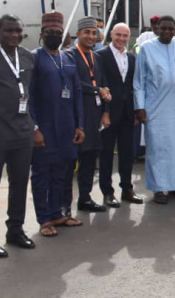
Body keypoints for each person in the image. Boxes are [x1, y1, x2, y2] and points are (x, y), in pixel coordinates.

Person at [0, 15, 36, 258]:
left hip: (22, 133)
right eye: (9, 30)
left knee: (20, 183)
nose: (13, 35)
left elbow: (28, 92)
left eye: (18, 31)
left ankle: (15, 230)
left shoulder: (27, 57)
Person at [29, 12, 85, 237]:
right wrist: (34, 128)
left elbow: (78, 93)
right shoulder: (34, 58)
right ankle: (44, 219)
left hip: (67, 127)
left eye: (58, 34)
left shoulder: (68, 58)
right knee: (42, 173)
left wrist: (80, 125)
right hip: (44, 127)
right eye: (50, 33)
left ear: (64, 36)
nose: (54, 36)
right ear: (42, 34)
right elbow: (29, 97)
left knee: (62, 172)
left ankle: (58, 213)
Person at [134, 15, 175, 204]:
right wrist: (140, 106)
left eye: (171, 28)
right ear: (157, 29)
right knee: (158, 148)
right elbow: (139, 81)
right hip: (155, 107)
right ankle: (159, 188)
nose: (167, 32)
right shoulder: (146, 48)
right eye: (164, 28)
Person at [65, 16, 111, 213]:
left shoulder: (97, 56)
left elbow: (102, 83)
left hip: (95, 114)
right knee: (69, 163)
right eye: (87, 33)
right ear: (79, 34)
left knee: (90, 160)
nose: (91, 36)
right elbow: (71, 83)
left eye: (94, 33)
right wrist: (97, 90)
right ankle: (64, 204)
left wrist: (106, 111)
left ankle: (85, 198)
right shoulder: (69, 56)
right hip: (76, 114)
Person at [96, 23, 144, 207]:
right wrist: (104, 112)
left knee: (126, 153)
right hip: (108, 113)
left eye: (125, 36)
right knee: (106, 154)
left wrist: (136, 111)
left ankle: (127, 189)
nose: (122, 39)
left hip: (127, 113)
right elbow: (100, 84)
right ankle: (107, 192)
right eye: (118, 35)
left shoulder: (131, 59)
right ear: (111, 35)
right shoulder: (101, 56)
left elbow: (132, 86)